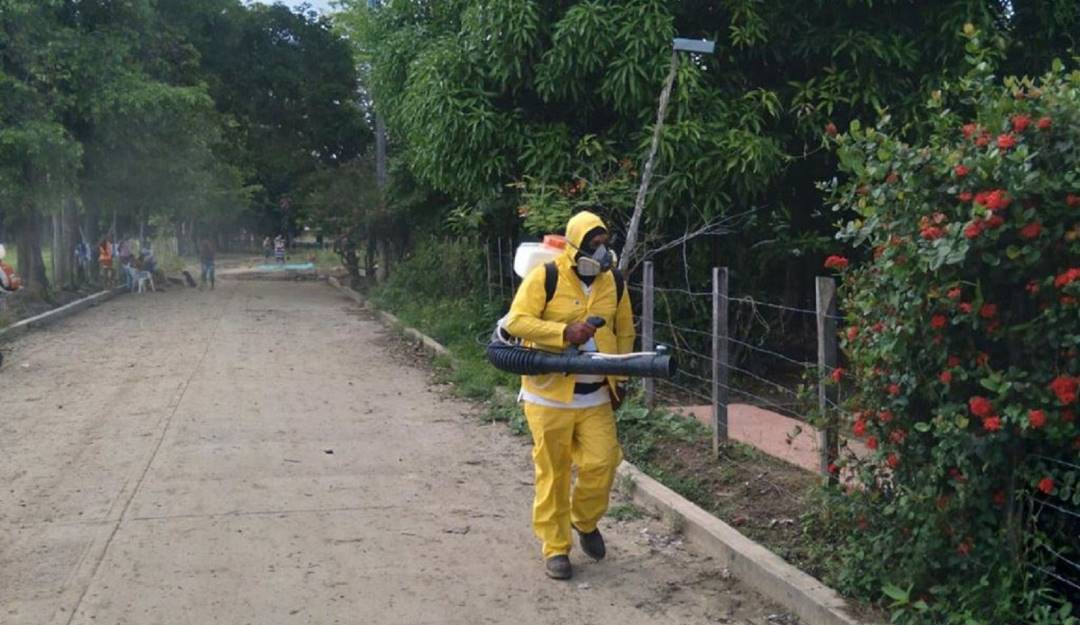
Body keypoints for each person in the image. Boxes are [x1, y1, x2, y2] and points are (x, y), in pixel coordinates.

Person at [503, 211, 635, 580]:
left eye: (604, 242)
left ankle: (584, 520)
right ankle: (555, 549)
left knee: (603, 462)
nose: (602, 251)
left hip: (595, 395)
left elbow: (625, 329)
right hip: (548, 396)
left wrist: (620, 377)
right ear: (575, 246)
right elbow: (515, 322)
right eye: (594, 244)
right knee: (554, 473)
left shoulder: (614, 281)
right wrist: (563, 332)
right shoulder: (545, 277)